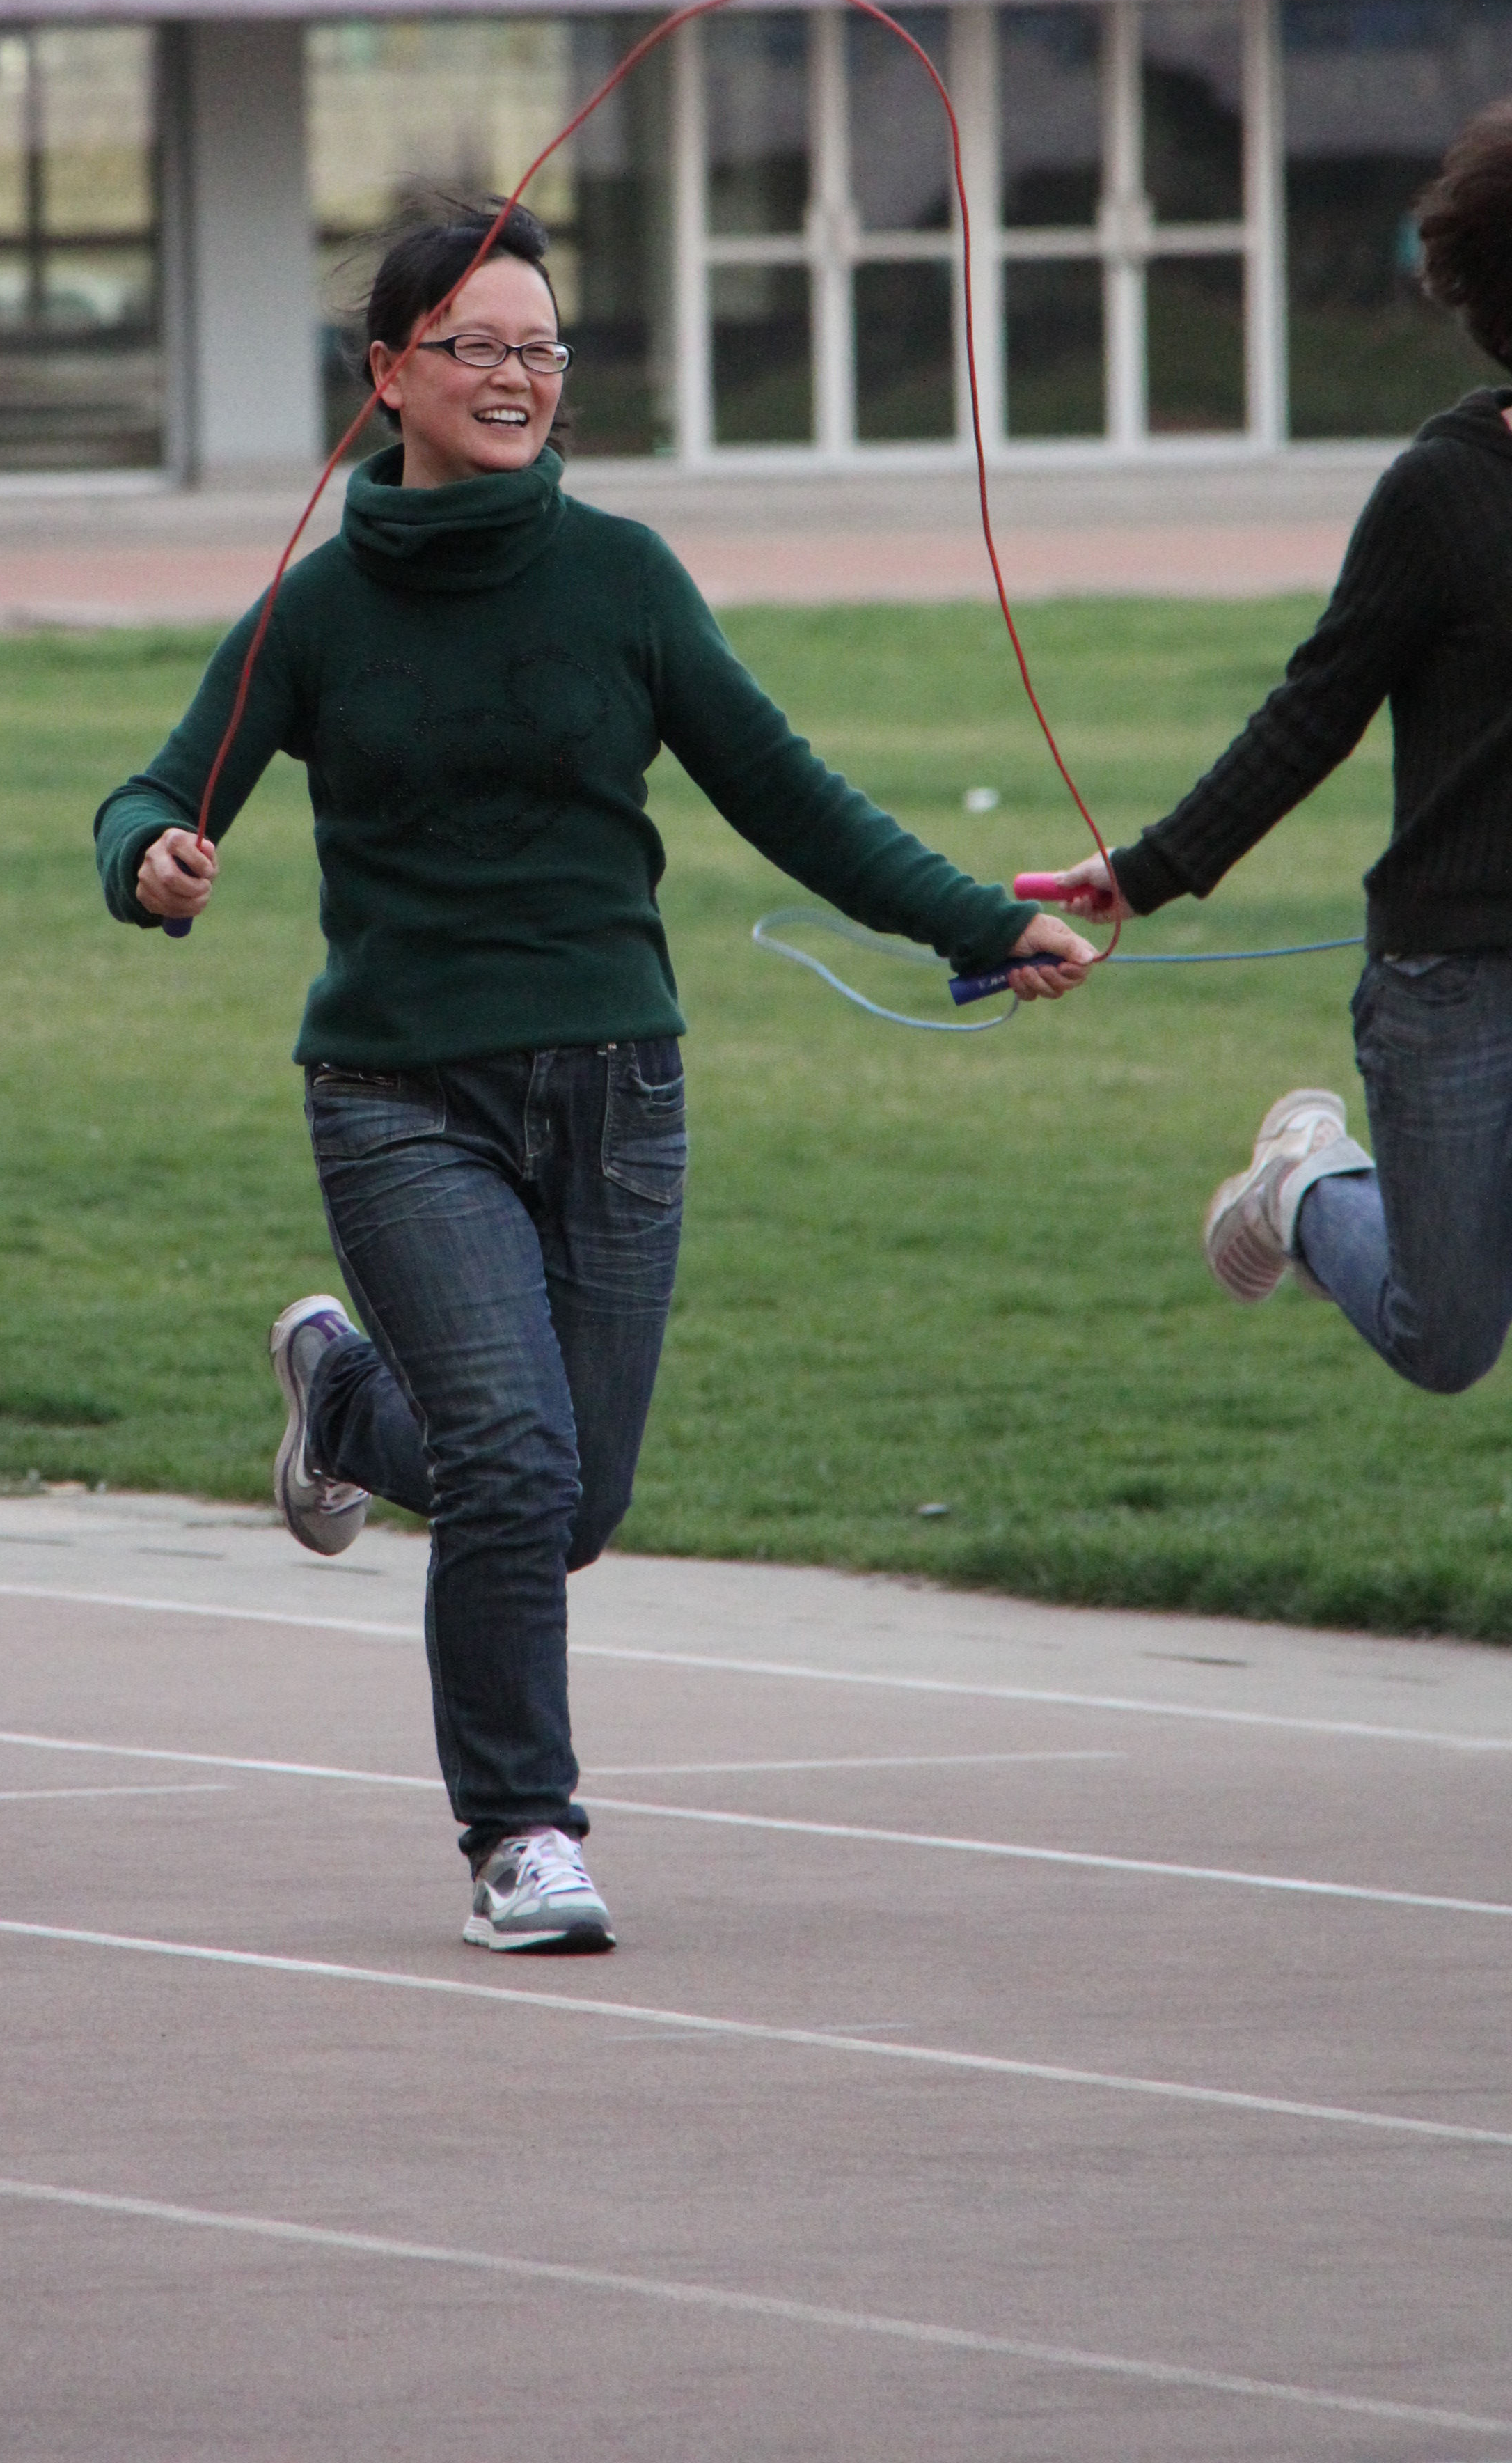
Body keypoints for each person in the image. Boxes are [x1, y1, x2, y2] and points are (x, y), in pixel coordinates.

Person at [95, 197, 1092, 1955]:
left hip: (618, 1086)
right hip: (399, 1094)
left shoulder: (622, 579)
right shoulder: (315, 609)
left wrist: (977, 923)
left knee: (572, 1494)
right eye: (475, 346)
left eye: (541, 348)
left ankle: (341, 1401)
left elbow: (788, 794)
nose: (516, 376)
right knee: (508, 1463)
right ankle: (522, 1834)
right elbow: (155, 791)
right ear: (388, 372)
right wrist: (150, 862)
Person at [1026, 92, 1512, 1402]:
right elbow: (1315, 709)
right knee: (1444, 1337)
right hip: (1463, 979)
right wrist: (1149, 868)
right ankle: (1306, 1185)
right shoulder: (1445, 491)